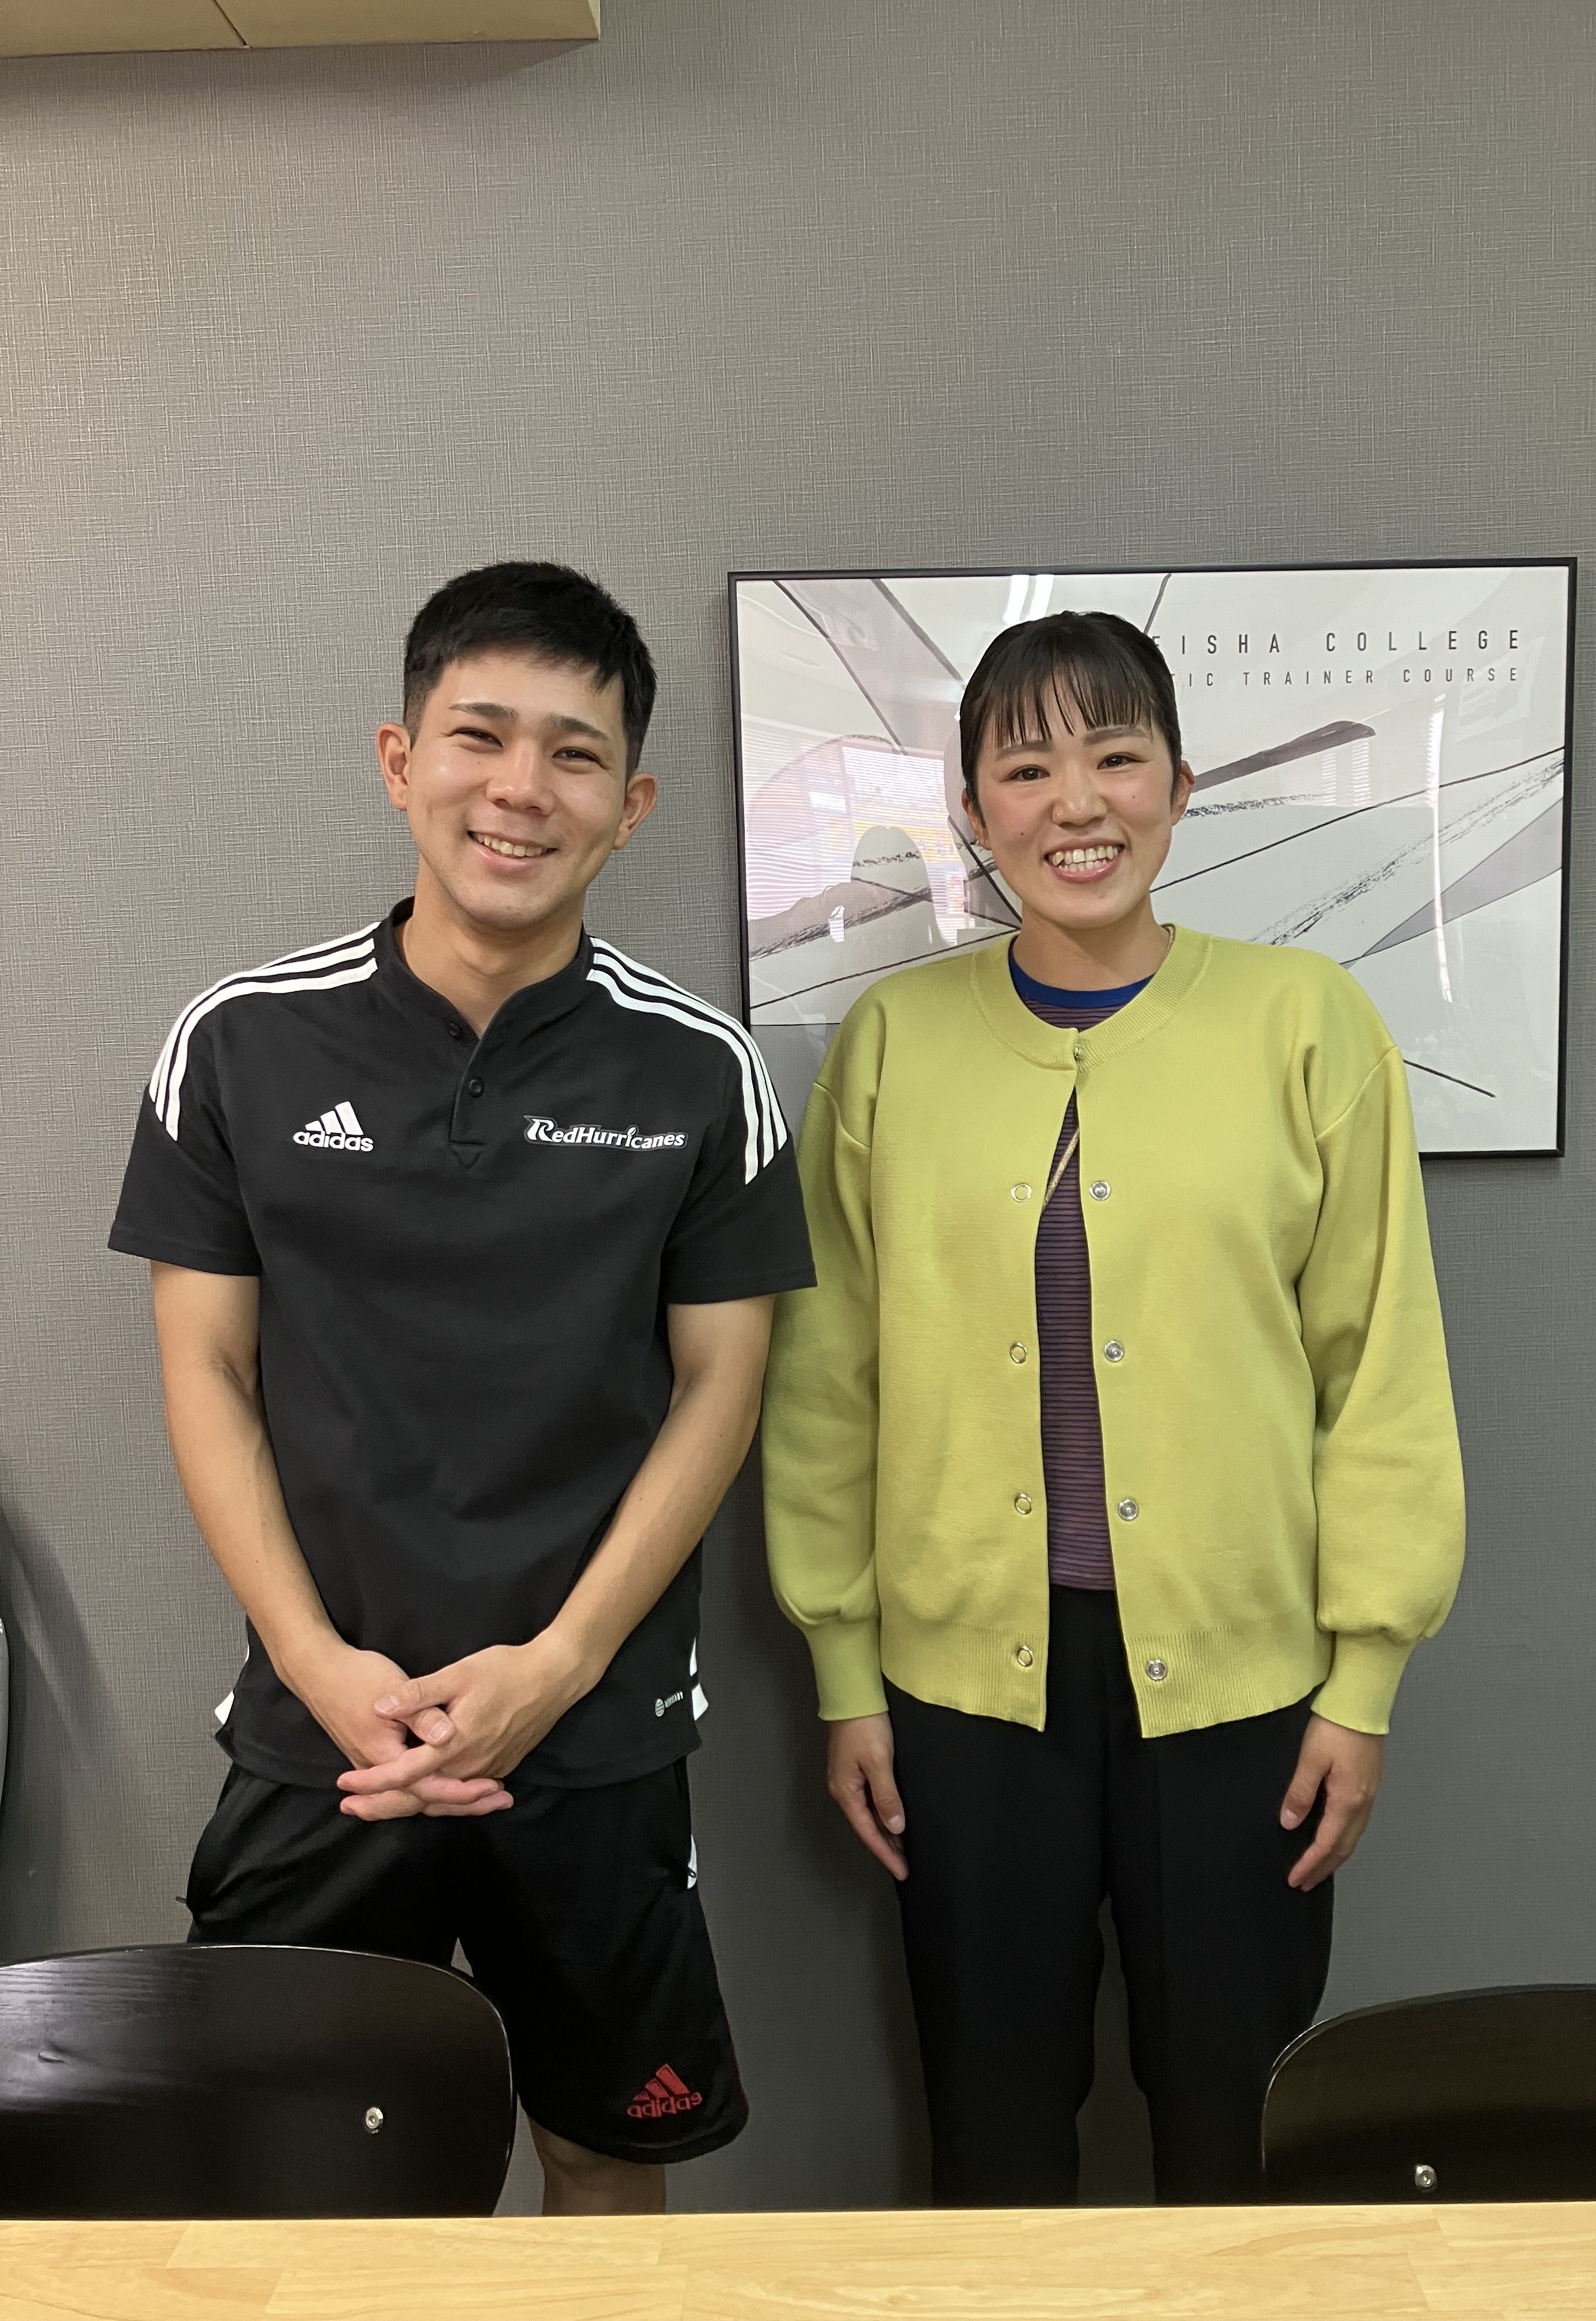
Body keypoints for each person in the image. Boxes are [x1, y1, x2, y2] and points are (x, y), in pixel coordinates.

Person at [110, 561, 813, 2215]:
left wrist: (558, 1666)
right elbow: (205, 1367)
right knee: (290, 2183)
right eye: (479, 736)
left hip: (595, 1732)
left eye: (575, 753)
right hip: (326, 1736)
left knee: (605, 2160)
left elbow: (721, 1393)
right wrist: (319, 1665)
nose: (520, 789)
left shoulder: (701, 1071)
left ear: (632, 805)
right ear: (399, 759)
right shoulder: (239, 1044)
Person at [760, 608, 1464, 2206]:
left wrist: (1362, 1683)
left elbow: (1381, 1370)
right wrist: (844, 1668)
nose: (1076, 803)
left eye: (1117, 757)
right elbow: (825, 1387)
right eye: (1026, 769)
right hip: (961, 1691)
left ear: (1180, 785)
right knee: (992, 2120)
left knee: (1238, 2118)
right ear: (972, 811)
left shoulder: (1307, 1023)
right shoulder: (892, 1043)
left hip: (1242, 1683)